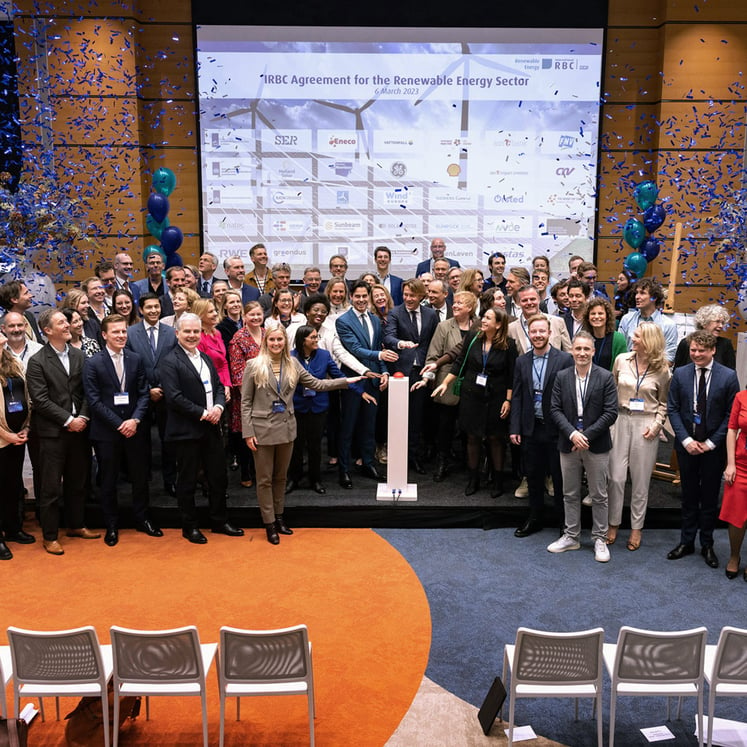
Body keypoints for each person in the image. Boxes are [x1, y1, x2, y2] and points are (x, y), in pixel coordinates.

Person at [242, 327, 358, 543]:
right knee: (265, 480)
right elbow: (246, 401)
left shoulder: (293, 364)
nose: (276, 343)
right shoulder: (253, 366)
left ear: (285, 342)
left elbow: (316, 383)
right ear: (266, 342)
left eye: (280, 340)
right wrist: (248, 432)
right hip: (261, 431)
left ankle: (279, 517)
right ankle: (269, 523)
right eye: (272, 340)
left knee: (281, 477)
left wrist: (345, 381)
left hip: (286, 428)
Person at [159, 313, 244, 544]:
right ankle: (190, 526)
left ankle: (219, 521)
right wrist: (203, 413)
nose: (192, 335)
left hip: (212, 427)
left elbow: (217, 385)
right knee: (187, 481)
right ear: (177, 333)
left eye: (196, 331)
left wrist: (218, 406)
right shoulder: (169, 361)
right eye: (187, 331)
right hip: (187, 430)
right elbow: (174, 398)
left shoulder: (205, 357)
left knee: (218, 477)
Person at [26, 309, 101, 555]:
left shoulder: (80, 356)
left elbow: (89, 391)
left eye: (67, 321)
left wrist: (83, 416)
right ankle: (50, 536)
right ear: (47, 330)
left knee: (77, 481)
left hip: (80, 429)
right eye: (61, 323)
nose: (67, 325)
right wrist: (69, 420)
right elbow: (40, 399)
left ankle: (76, 525)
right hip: (52, 433)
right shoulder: (37, 361)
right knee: (49, 487)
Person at [83, 314, 161, 546]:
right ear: (104, 335)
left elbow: (144, 393)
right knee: (108, 480)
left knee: (140, 477)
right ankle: (112, 524)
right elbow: (94, 401)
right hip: (107, 432)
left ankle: (142, 519)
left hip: (135, 430)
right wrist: (119, 424)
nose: (121, 335)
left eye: (123, 331)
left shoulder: (135, 359)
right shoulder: (93, 363)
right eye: (115, 332)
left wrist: (135, 420)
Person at [667, 331, 740, 568]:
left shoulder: (728, 377)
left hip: (713, 449)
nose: (696, 354)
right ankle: (686, 541)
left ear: (712, 351)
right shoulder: (680, 373)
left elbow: (731, 415)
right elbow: (673, 408)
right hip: (687, 446)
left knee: (709, 497)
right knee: (688, 496)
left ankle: (707, 544)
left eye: (701, 351)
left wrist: (711, 443)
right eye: (693, 350)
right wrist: (686, 440)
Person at [548, 331, 618, 563]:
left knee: (599, 494)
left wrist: (584, 435)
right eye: (578, 349)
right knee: (570, 493)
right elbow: (555, 410)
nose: (582, 353)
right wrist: (572, 434)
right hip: (568, 443)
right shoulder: (562, 376)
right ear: (571, 350)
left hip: (595, 444)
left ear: (593, 351)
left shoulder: (605, 377)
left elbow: (611, 412)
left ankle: (599, 538)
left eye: (586, 349)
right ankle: (571, 536)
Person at [432, 308, 516, 497]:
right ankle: (473, 479)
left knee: (495, 438)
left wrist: (508, 400)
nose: (482, 320)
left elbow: (512, 376)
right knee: (472, 437)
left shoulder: (509, 345)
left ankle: (498, 481)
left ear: (499, 324)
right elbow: (459, 363)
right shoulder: (472, 338)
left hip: (496, 397)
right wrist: (445, 383)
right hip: (472, 395)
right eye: (483, 316)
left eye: (488, 318)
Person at [607, 323, 671, 550]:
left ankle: (636, 527)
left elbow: (664, 403)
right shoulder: (621, 360)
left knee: (641, 480)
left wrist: (656, 425)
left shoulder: (663, 369)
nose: (632, 339)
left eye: (637, 336)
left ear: (649, 341)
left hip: (646, 423)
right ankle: (613, 522)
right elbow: (612, 390)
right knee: (615, 477)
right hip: (620, 419)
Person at [510, 314, 573, 537]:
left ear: (549, 333)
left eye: (541, 331)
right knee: (534, 476)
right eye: (533, 331)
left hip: (556, 429)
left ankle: (564, 523)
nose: (537, 335)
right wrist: (515, 427)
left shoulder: (564, 359)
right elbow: (516, 396)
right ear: (529, 333)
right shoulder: (521, 361)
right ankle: (534, 518)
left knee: (559, 477)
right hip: (530, 427)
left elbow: (570, 397)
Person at [287, 325, 362, 495]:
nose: (316, 340)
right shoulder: (291, 357)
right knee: (296, 446)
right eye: (312, 337)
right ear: (302, 340)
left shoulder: (324, 355)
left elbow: (338, 376)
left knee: (315, 445)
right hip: (297, 406)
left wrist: (359, 390)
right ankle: (294, 478)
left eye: (317, 337)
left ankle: (315, 479)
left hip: (318, 407)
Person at [335, 280, 395, 489]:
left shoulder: (375, 320)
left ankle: (368, 463)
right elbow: (355, 349)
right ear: (351, 297)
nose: (361, 300)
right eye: (357, 296)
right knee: (348, 426)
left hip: (374, 380)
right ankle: (344, 469)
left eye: (364, 296)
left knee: (369, 425)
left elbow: (378, 348)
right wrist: (380, 354)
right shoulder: (343, 321)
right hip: (354, 380)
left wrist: (385, 371)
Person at [417, 290, 478, 482]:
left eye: (460, 303)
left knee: (470, 428)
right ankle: (442, 463)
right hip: (447, 385)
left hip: (473, 386)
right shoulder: (444, 326)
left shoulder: (479, 326)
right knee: (445, 427)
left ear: (470, 307)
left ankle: (472, 467)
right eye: (455, 302)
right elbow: (433, 356)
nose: (455, 305)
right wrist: (427, 378)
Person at [383, 278, 439, 473]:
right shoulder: (395, 313)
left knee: (416, 417)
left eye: (412, 295)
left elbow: (435, 341)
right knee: (398, 416)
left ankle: (413, 457)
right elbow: (388, 336)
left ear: (421, 295)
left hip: (422, 371)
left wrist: (432, 369)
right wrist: (401, 344)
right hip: (400, 373)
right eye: (405, 294)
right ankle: (396, 456)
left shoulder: (431, 315)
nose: (408, 298)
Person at [125, 292, 178, 496]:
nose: (154, 310)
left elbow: (175, 363)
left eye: (157, 307)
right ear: (141, 309)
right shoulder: (131, 333)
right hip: (140, 396)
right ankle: (142, 479)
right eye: (149, 307)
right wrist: (148, 390)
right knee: (141, 441)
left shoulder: (170, 332)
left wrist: (164, 388)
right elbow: (129, 366)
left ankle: (170, 480)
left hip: (167, 396)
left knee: (168, 441)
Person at [0, 328, 33, 559]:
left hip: (18, 435)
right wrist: (5, 435)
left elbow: (25, 395)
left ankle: (12, 529)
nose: (4, 341)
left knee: (12, 485)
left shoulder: (11, 362)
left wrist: (26, 427)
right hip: (3, 439)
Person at [228, 301, 264, 488]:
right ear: (244, 317)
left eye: (259, 314)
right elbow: (237, 372)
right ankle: (245, 472)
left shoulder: (267, 334)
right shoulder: (238, 339)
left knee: (263, 435)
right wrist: (249, 398)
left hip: (267, 395)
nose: (256, 318)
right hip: (246, 396)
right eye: (252, 315)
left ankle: (261, 471)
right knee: (247, 434)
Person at [619, 278, 678, 362]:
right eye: (636, 293)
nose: (637, 297)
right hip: (629, 369)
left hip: (656, 371)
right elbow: (621, 349)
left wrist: (647, 370)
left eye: (642, 293)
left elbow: (669, 358)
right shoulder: (626, 319)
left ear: (654, 298)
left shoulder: (668, 325)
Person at [721, 388, 747, 580]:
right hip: (741, 464)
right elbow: (732, 429)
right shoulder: (741, 397)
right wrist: (730, 463)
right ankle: (734, 556)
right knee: (737, 514)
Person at [508, 285, 572, 355]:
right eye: (524, 300)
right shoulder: (511, 329)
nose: (529, 303)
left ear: (539, 300)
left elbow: (568, 353)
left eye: (532, 299)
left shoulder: (557, 322)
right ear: (519, 303)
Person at [673, 304, 736, 370]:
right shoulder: (686, 343)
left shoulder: (725, 344)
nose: (721, 326)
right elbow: (677, 372)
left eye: (722, 323)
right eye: (717, 321)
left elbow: (731, 373)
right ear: (704, 323)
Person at [193, 298, 231, 402]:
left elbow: (223, 362)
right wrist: (219, 389)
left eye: (215, 310)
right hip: (208, 387)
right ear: (200, 315)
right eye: (210, 312)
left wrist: (227, 385)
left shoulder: (217, 333)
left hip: (222, 385)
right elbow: (201, 368)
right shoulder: (198, 338)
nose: (215, 314)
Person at [582, 297, 627, 371]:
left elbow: (622, 366)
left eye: (600, 313)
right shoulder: (583, 338)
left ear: (607, 317)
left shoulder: (618, 339)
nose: (596, 317)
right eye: (593, 314)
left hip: (610, 381)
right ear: (588, 318)